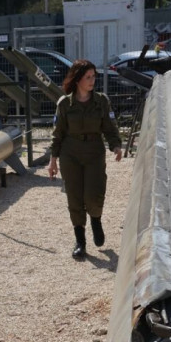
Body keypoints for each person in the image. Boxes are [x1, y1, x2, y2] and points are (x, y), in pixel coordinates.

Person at [47, 59, 123, 259]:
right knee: (74, 196)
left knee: (94, 192)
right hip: (70, 153)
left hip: (94, 152)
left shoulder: (101, 101)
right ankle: (80, 241)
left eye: (94, 76)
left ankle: (96, 220)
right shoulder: (64, 104)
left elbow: (109, 126)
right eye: (88, 77)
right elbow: (58, 133)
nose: (92, 80)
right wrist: (52, 160)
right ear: (78, 79)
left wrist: (116, 145)